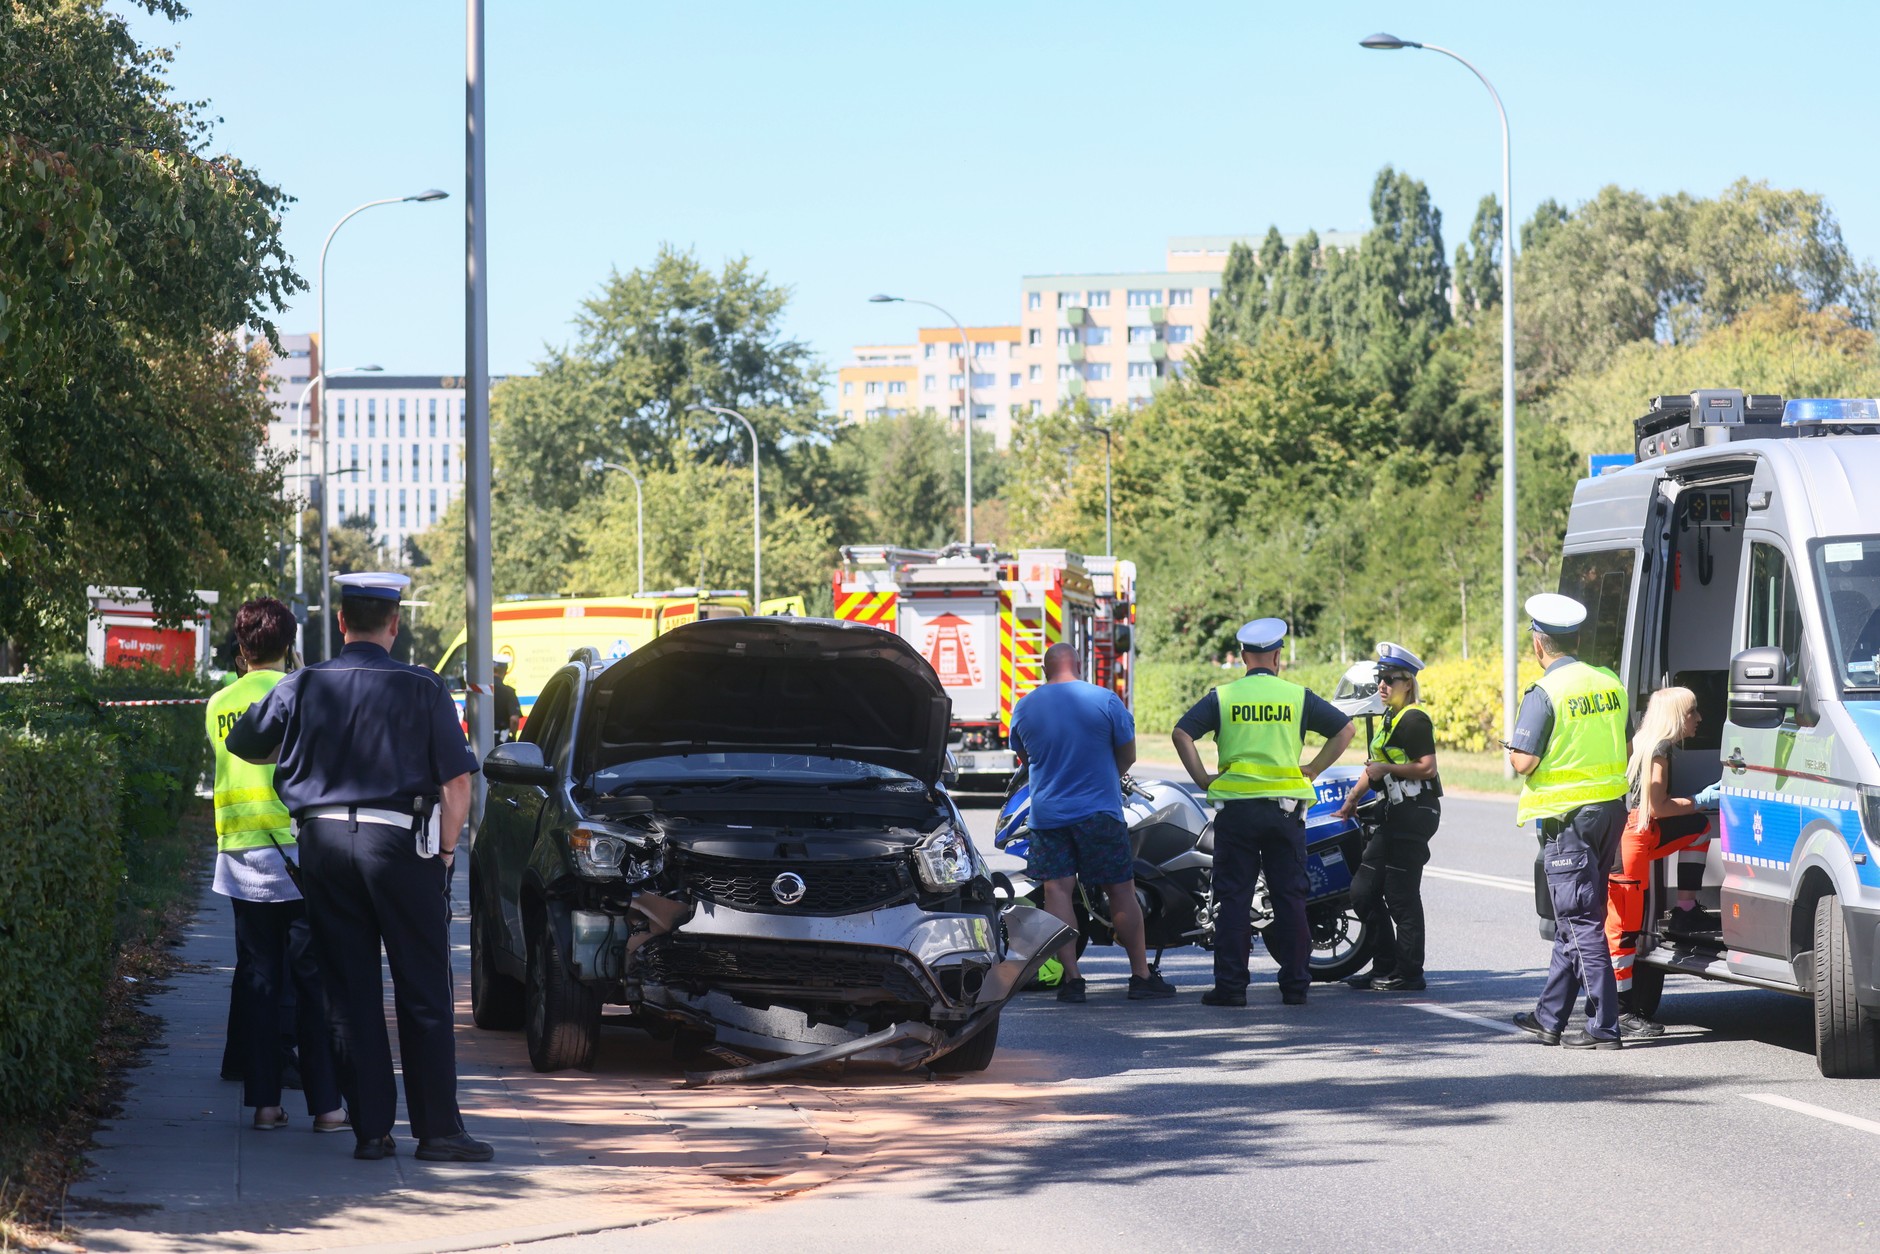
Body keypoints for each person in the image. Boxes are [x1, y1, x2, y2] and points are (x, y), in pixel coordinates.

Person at [228, 572, 490, 1163]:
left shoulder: (305, 684)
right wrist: (446, 853)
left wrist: (293, 748)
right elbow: (456, 782)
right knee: (422, 989)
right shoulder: (422, 687)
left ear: (341, 623)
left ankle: (371, 1130)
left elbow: (246, 742)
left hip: (321, 846)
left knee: (347, 993)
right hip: (398, 847)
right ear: (395, 624)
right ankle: (438, 1132)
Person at [207, 598, 346, 1133]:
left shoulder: (218, 702)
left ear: (241, 647)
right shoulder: (305, 694)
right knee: (313, 982)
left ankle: (264, 1105)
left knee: (260, 979)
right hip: (298, 851)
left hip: (240, 854)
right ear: (290, 646)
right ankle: (327, 1108)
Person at [1173, 618, 1355, 1007]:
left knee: (1234, 899)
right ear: (1277, 657)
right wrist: (1315, 769)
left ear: (1242, 657)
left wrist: (1203, 778)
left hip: (1237, 813)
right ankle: (1295, 986)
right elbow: (1345, 731)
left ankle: (1232, 988)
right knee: (1290, 898)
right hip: (1284, 813)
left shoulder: (1223, 697)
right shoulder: (1297, 696)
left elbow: (1181, 733)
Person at [1009, 642, 1175, 1003]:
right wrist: (1107, 777)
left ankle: (1072, 980)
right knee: (1120, 889)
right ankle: (1140, 976)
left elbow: (1024, 756)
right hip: (1100, 812)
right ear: (1079, 665)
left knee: (1057, 891)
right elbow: (1128, 753)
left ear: (1044, 669)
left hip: (1049, 815)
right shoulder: (1106, 700)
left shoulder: (1025, 707)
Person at [1508, 593, 1631, 1050]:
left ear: (1540, 645)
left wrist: (1516, 749)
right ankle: (1549, 1017)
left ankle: (1604, 1024)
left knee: (1579, 921)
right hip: (1610, 811)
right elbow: (1627, 741)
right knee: (1575, 918)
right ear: (1574, 639)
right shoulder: (1608, 682)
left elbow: (1524, 762)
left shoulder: (1546, 692)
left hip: (1569, 819)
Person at [1605, 686, 1715, 1038]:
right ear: (1677, 716)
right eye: (1693, 712)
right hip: (1633, 839)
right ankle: (1620, 1011)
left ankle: (1685, 906)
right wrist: (1700, 799)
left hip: (1642, 834)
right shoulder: (1661, 747)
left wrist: (1697, 811)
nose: (1698, 718)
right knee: (1623, 929)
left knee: (1701, 828)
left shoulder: (1643, 740)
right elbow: (1657, 806)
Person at [1335, 643, 1443, 993]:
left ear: (1408, 683)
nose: (1382, 686)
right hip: (1393, 814)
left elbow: (1427, 768)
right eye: (1380, 679)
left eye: (1390, 680)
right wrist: (1351, 800)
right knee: (1363, 891)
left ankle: (1409, 972)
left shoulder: (1413, 718)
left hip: (1414, 813)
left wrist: (1386, 768)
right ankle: (1383, 964)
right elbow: (1373, 766)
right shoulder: (1389, 718)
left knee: (1401, 894)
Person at [492, 659, 522, 742]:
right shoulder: (509, 692)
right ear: (504, 672)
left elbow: (467, 717)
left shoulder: (481, 691)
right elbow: (514, 720)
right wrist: (513, 736)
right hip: (501, 740)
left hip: (482, 740)